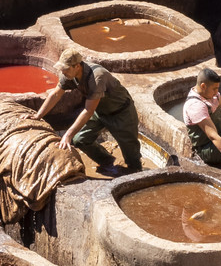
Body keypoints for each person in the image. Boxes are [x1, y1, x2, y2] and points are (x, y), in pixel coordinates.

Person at [35, 44, 143, 174]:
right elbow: (55, 94)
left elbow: (88, 110)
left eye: (66, 69)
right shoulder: (70, 74)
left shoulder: (96, 77)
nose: (63, 72)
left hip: (121, 112)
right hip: (100, 111)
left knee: (130, 150)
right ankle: (107, 161)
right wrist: (38, 116)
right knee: (80, 140)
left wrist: (67, 135)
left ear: (77, 66)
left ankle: (136, 172)